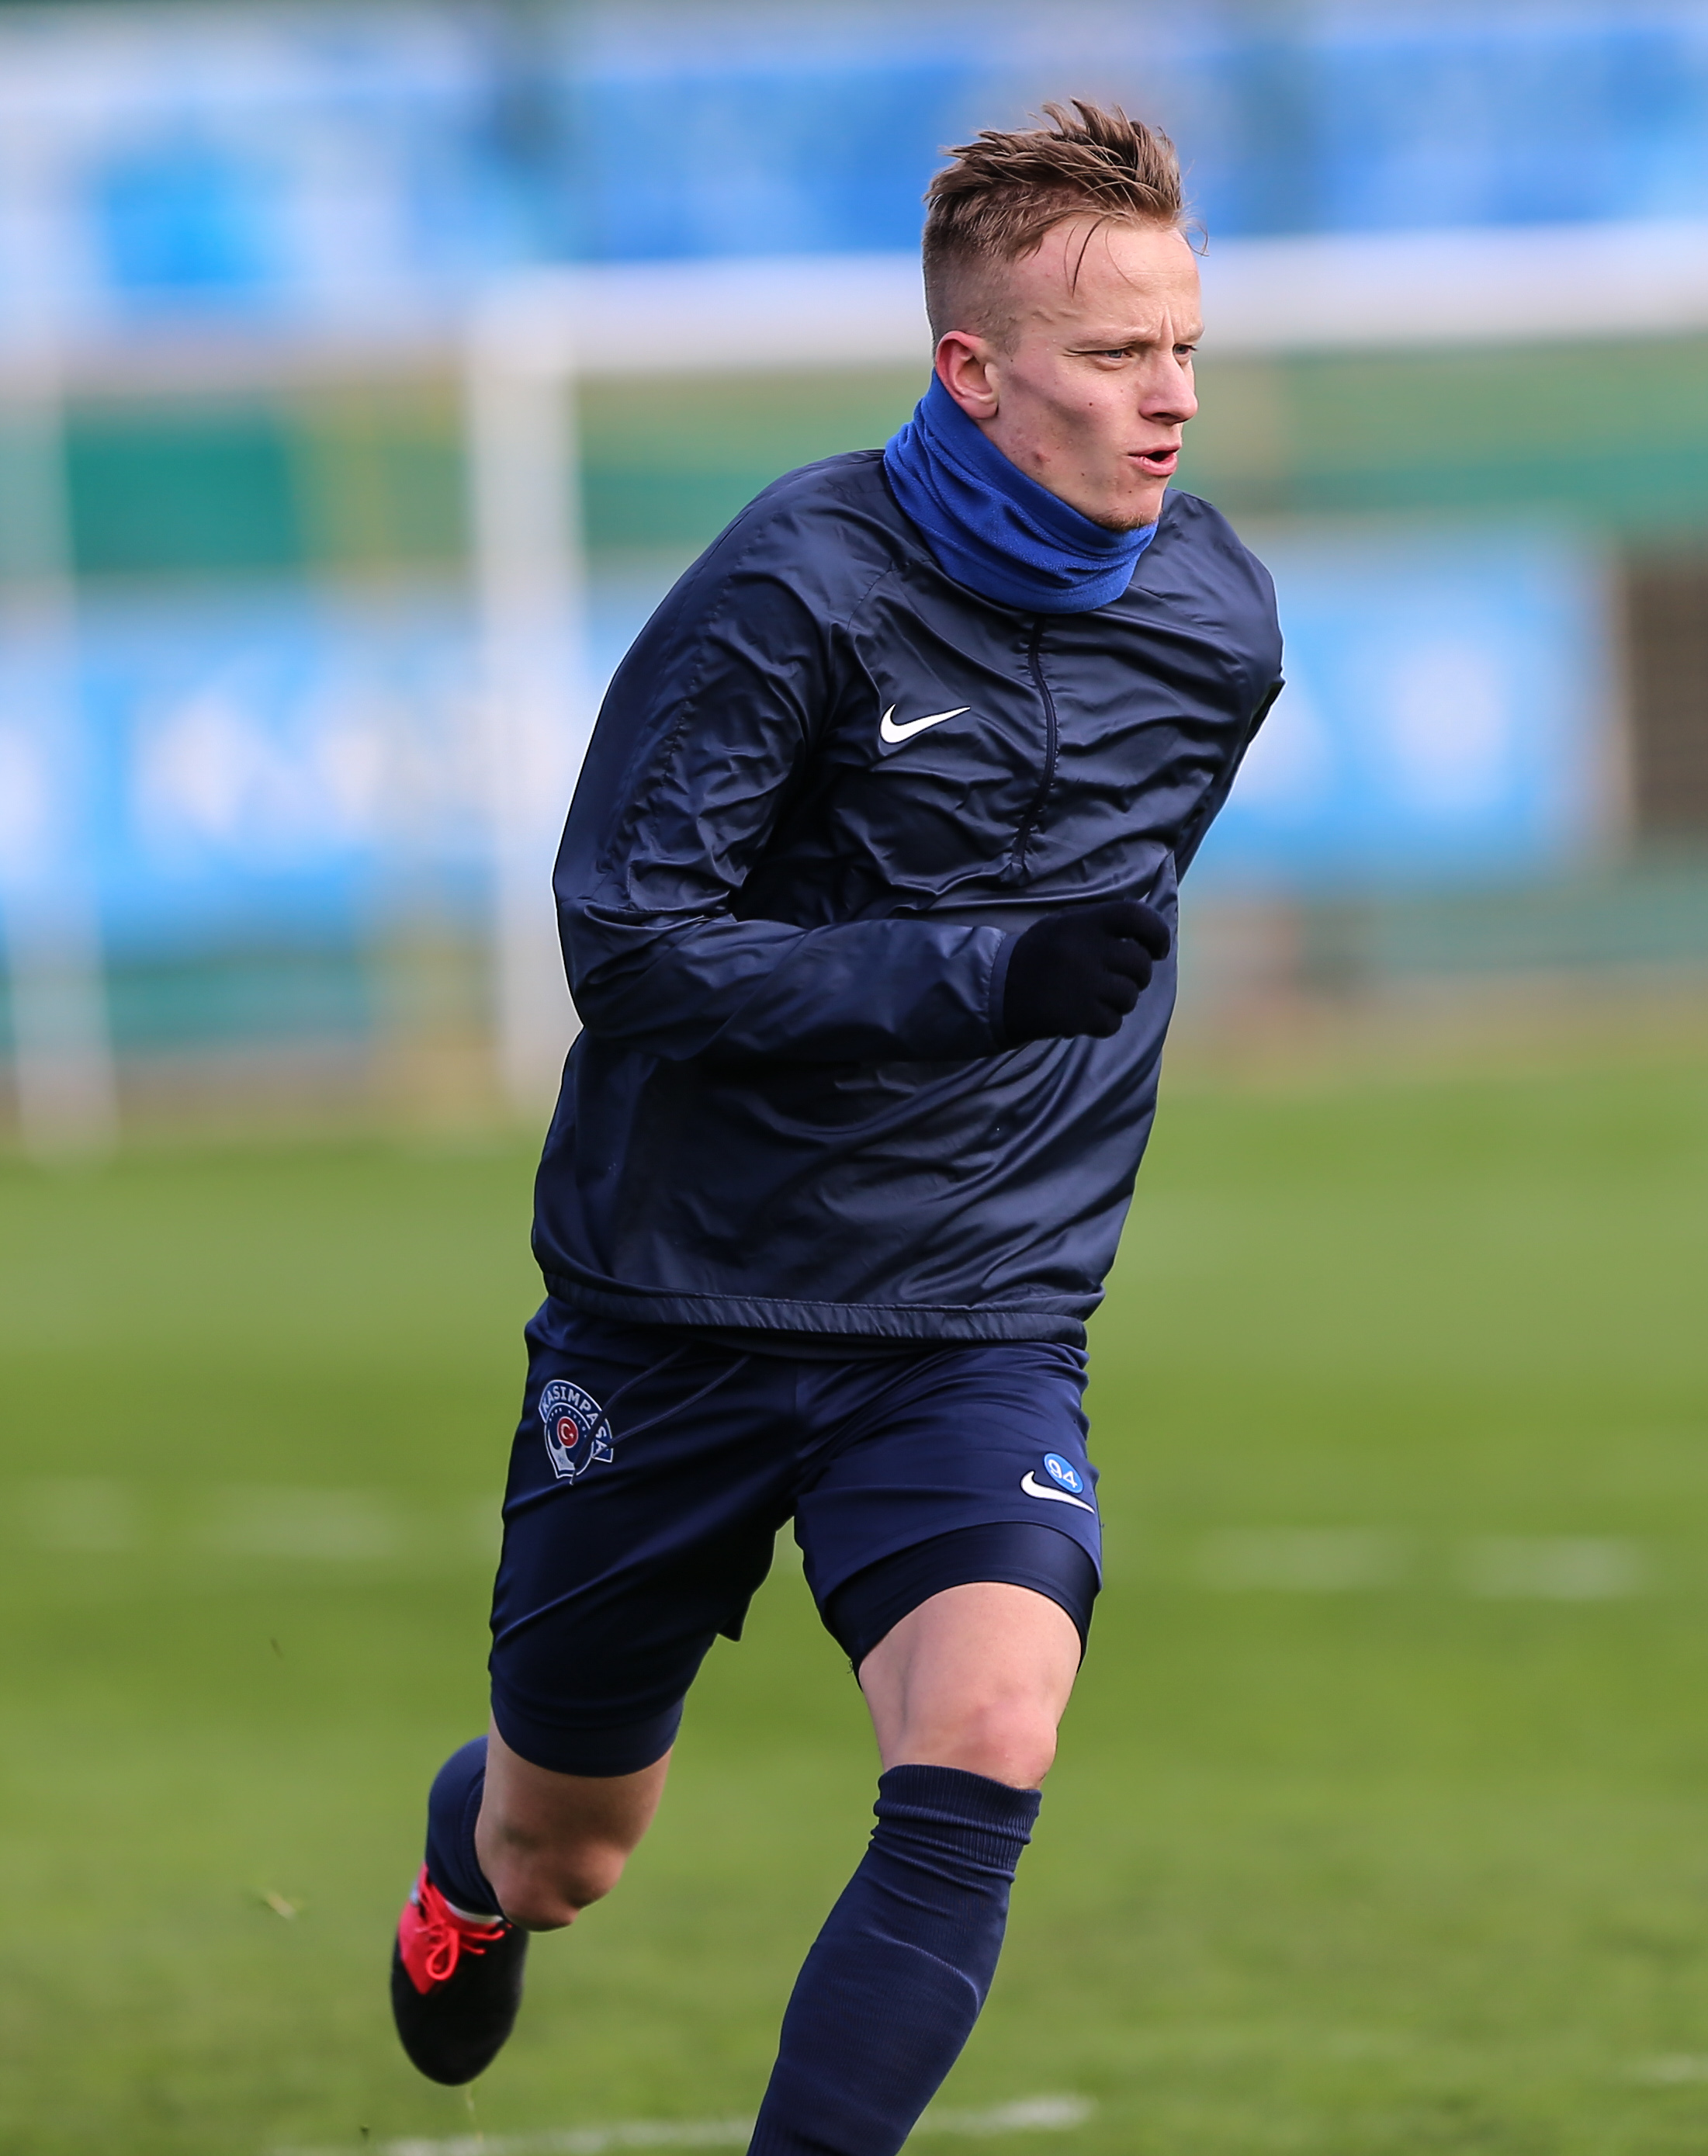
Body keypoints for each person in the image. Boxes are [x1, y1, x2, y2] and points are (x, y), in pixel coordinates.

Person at [387, 100, 1282, 2154]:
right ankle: (470, 1859)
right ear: (974, 370)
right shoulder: (791, 590)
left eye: (1184, 347)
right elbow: (631, 948)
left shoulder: (1218, 623)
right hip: (677, 1307)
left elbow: (1096, 935)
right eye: (1113, 355)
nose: (1170, 397)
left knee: (989, 1732)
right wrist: (979, 972)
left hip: (974, 1318)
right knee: (566, 1846)